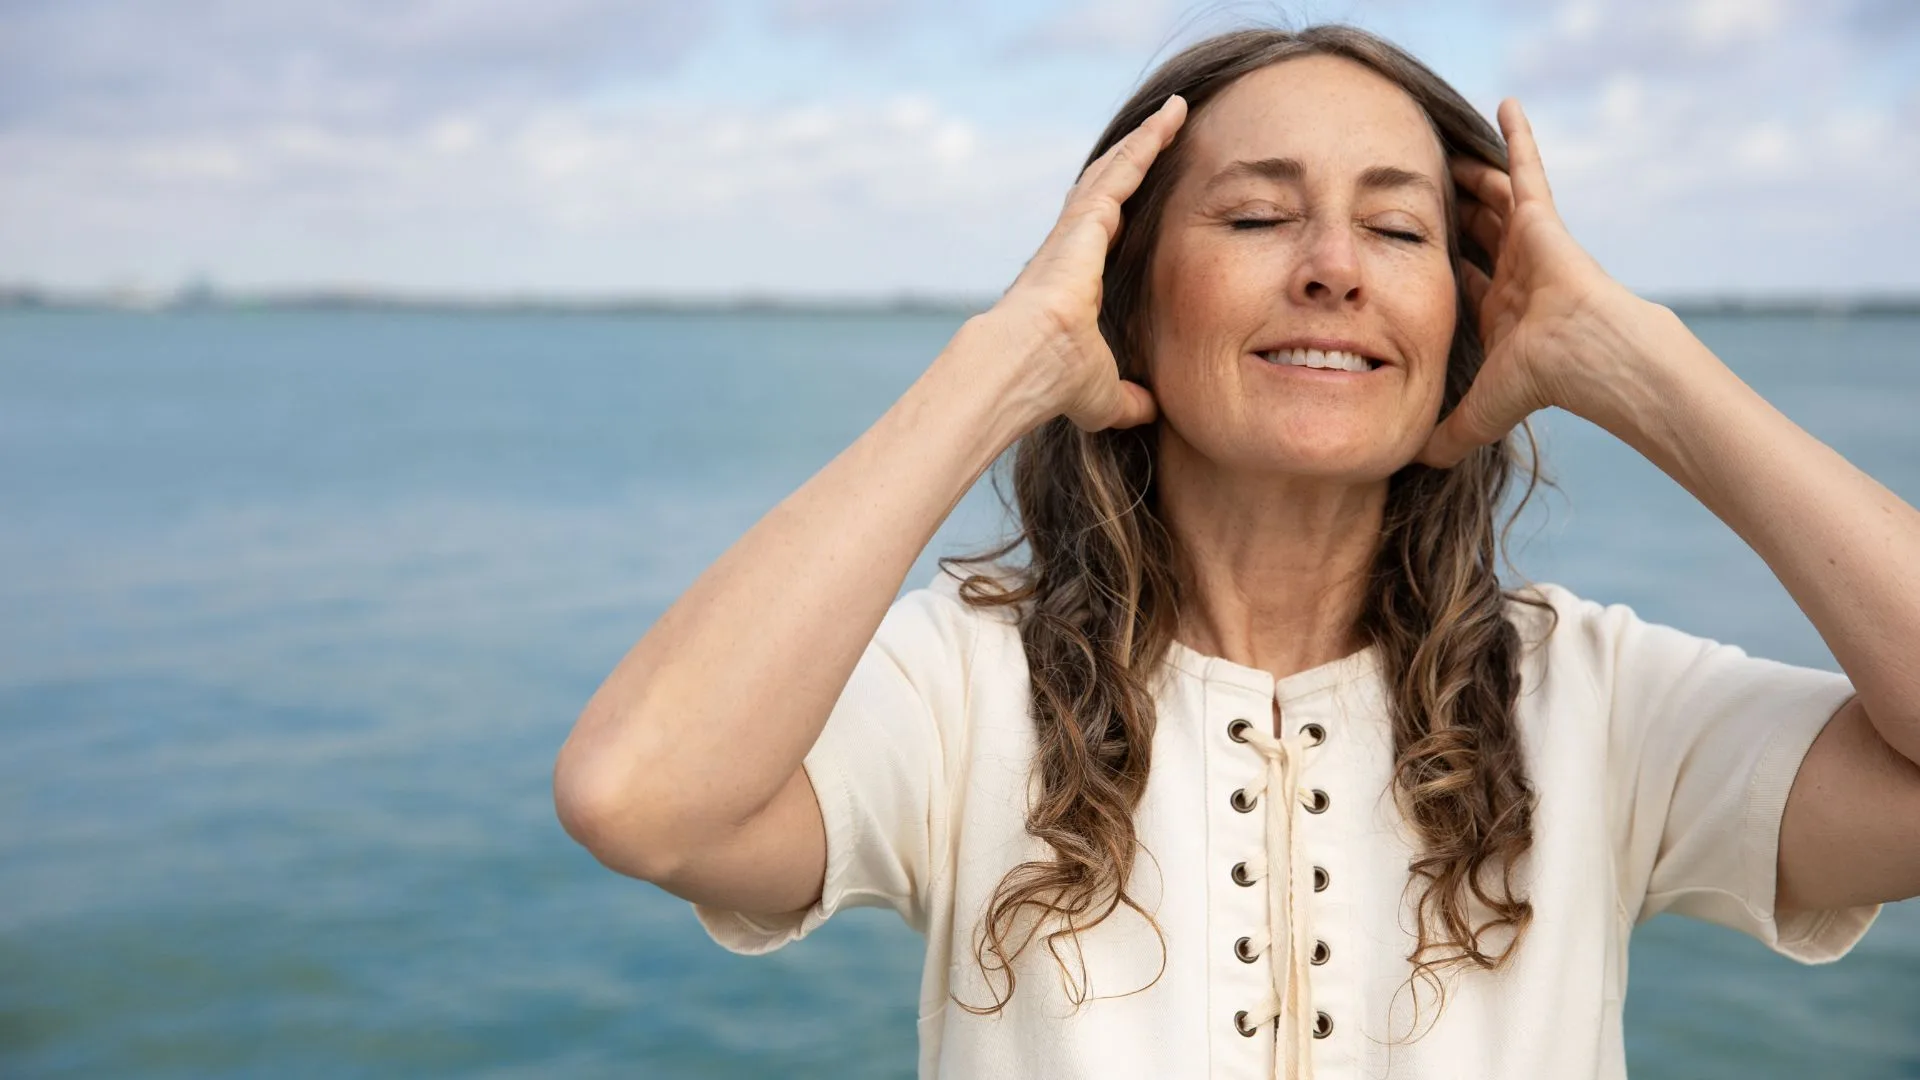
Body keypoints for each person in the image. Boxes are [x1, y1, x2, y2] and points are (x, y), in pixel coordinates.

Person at [553, 24, 1920, 1080]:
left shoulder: (1597, 700)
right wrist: (1003, 363)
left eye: (1397, 228)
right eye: (1259, 216)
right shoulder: (964, 686)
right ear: (1127, 304)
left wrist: (1640, 364)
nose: (1334, 265)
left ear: (1467, 318)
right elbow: (641, 794)